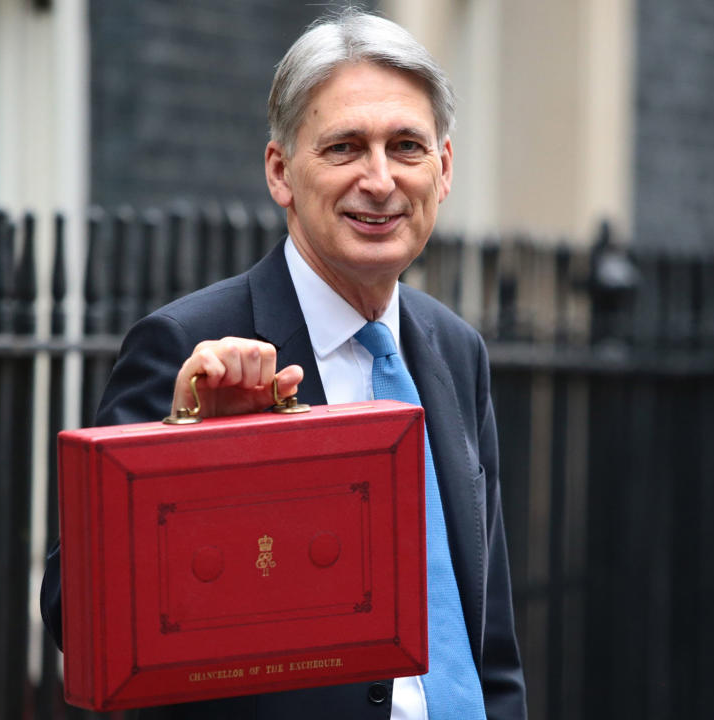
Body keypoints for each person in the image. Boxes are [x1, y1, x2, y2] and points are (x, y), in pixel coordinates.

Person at [41, 9, 526, 719]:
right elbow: (76, 623)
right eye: (344, 148)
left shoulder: (457, 349)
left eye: (407, 147)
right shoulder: (188, 344)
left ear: (443, 170)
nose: (381, 180)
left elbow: (491, 641)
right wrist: (185, 448)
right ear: (280, 172)